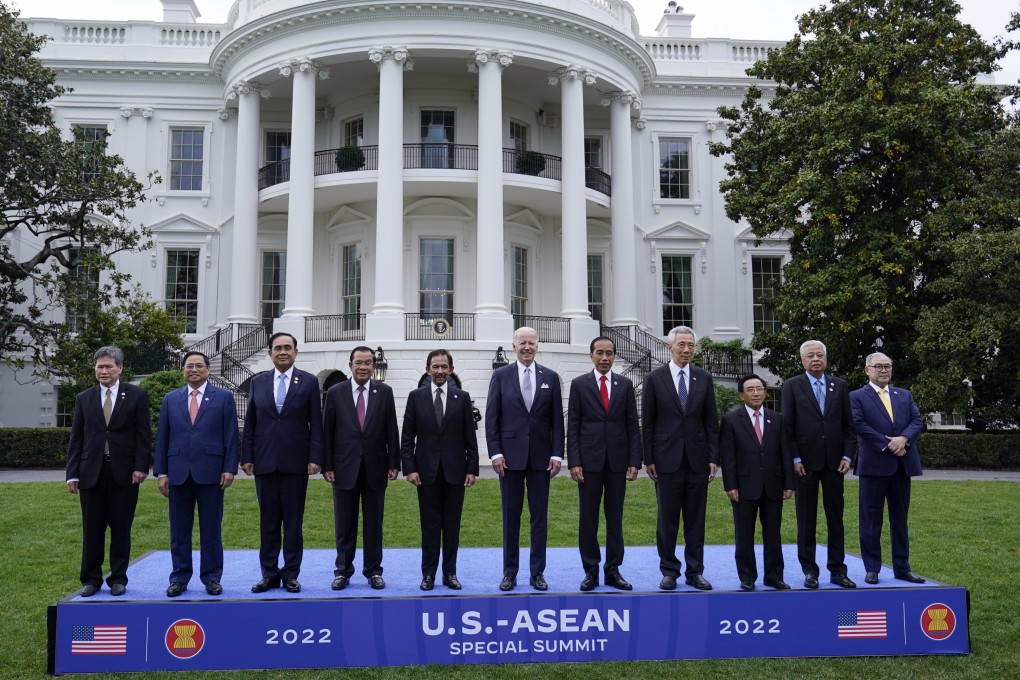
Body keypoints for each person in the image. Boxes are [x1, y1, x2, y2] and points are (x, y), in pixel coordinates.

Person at [65, 346, 152, 597]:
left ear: (120, 368)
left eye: (109, 366)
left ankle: (118, 578)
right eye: (99, 367)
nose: (104, 371)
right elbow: (77, 437)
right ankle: (91, 579)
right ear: (95, 370)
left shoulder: (136, 395)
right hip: (91, 472)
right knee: (92, 529)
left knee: (121, 528)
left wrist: (140, 467)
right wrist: (72, 473)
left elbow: (143, 435)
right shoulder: (84, 398)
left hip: (124, 473)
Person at [241, 332, 323, 594]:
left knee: (293, 523)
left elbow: (316, 424)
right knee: (268, 522)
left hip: (296, 463)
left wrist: (314, 458)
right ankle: (269, 574)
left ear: (296, 352)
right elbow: (250, 423)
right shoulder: (258, 382)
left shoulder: (309, 382)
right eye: (278, 348)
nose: (283, 352)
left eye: (288, 347)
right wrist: (247, 457)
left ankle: (290, 574)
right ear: (270, 353)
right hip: (264, 462)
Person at [154, 351, 239, 597]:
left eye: (199, 366)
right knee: (179, 530)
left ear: (208, 369)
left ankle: (211, 577)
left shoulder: (223, 398)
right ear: (182, 370)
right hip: (178, 473)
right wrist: (161, 472)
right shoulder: (171, 399)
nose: (194, 369)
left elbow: (231, 436)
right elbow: (163, 438)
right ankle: (179, 578)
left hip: (212, 474)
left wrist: (229, 468)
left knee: (211, 529)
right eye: (189, 365)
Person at [486, 326, 564, 592]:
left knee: (539, 517)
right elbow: (492, 418)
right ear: (513, 346)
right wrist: (495, 452)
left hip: (542, 459)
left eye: (531, 343)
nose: (527, 347)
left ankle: (537, 573)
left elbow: (557, 420)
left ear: (537, 346)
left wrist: (557, 453)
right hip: (509, 459)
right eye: (522, 343)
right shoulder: (500, 376)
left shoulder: (551, 377)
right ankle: (510, 572)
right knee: (511, 517)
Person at [642, 325, 719, 591]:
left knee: (696, 520)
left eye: (691, 346)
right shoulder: (655, 378)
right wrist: (648, 457)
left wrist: (713, 457)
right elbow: (648, 422)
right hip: (666, 460)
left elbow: (711, 422)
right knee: (668, 519)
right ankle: (669, 570)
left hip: (697, 460)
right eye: (682, 345)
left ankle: (695, 571)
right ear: (669, 347)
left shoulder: (704, 378)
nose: (687, 350)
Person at [567, 336, 642, 591]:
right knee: (588, 519)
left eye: (609, 353)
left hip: (618, 462)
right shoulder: (579, 385)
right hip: (588, 463)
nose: (604, 358)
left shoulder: (625, 384)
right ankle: (590, 571)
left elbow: (632, 424)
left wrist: (635, 460)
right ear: (591, 356)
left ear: (614, 356)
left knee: (615, 518)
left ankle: (613, 570)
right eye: (599, 353)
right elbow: (573, 425)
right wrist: (574, 461)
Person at [322, 346, 400, 591]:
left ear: (373, 366)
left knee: (374, 524)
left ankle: (373, 571)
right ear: (350, 365)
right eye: (359, 362)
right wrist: (328, 465)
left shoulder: (384, 392)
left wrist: (393, 463)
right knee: (344, 525)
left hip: (376, 467)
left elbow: (391, 429)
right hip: (343, 468)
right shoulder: (335, 393)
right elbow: (327, 432)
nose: (363, 367)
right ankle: (343, 571)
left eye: (368, 363)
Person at [781, 340, 858, 589]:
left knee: (836, 518)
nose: (816, 359)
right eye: (810, 356)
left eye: (820, 355)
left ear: (826, 358)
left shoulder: (840, 385)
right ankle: (809, 571)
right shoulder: (792, 386)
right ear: (802, 360)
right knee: (807, 519)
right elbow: (787, 427)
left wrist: (847, 456)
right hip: (805, 463)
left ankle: (837, 570)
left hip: (835, 463)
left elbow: (849, 427)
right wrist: (795, 458)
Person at [401, 350, 479, 591]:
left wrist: (472, 469)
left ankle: (450, 574)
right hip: (426, 473)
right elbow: (407, 438)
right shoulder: (416, 397)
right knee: (430, 526)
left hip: (456, 472)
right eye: (435, 367)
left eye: (444, 367)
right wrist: (410, 469)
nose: (440, 371)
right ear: (428, 369)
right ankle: (428, 574)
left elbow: (470, 438)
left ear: (451, 369)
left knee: (452, 527)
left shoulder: (462, 397)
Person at [850, 352, 925, 585]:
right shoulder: (856, 397)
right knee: (871, 520)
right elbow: (859, 424)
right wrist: (888, 444)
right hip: (874, 466)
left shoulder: (904, 394)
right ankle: (872, 568)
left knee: (900, 520)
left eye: (888, 366)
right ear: (867, 370)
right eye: (878, 366)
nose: (883, 370)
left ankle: (902, 567)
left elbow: (917, 420)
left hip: (902, 465)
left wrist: (903, 439)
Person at [721, 374, 795, 591]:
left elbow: (785, 453)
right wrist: (730, 485)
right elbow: (728, 456)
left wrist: (788, 483)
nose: (756, 393)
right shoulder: (731, 420)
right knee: (744, 534)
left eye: (760, 388)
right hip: (743, 487)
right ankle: (747, 577)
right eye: (750, 389)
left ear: (765, 392)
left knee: (773, 533)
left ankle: (774, 576)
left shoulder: (778, 419)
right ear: (742, 395)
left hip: (773, 484)